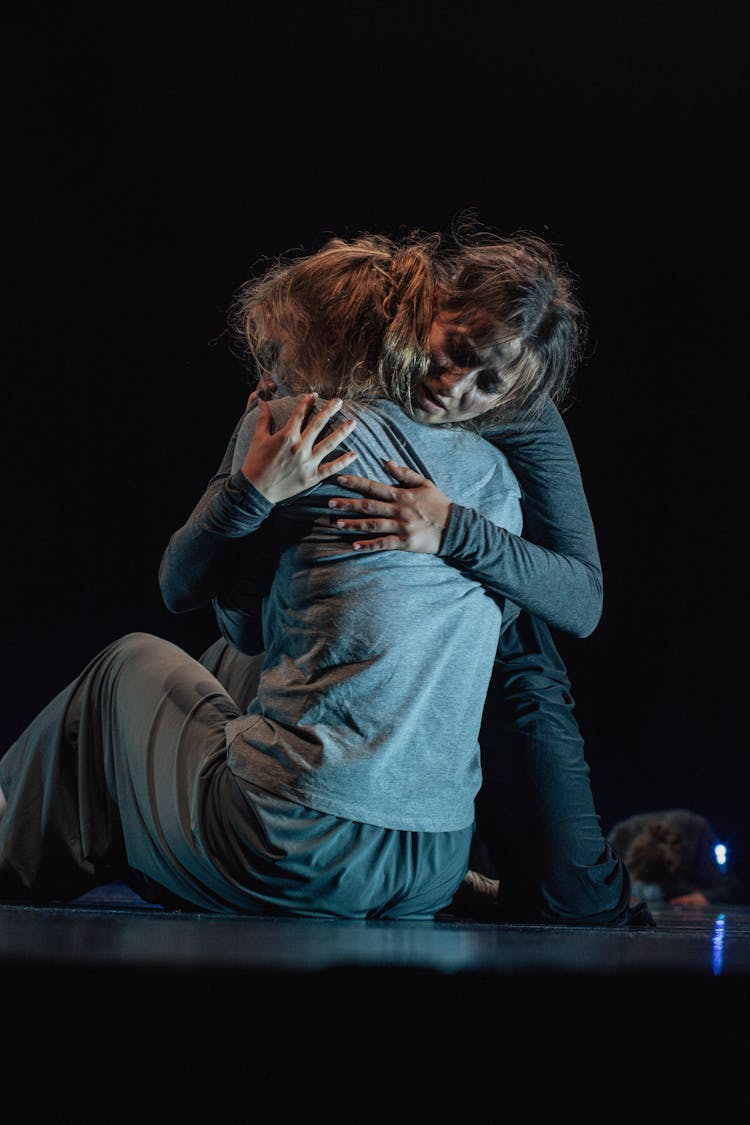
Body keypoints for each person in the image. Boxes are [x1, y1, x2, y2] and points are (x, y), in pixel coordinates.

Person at [0, 222, 639, 922]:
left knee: (128, 665)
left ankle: (30, 842)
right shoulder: (494, 475)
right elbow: (251, 636)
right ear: (424, 312)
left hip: (326, 815)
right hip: (430, 859)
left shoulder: (314, 424)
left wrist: (252, 488)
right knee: (237, 663)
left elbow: (186, 591)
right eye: (454, 351)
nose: (455, 387)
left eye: (488, 382)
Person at [607, 809, 746, 906]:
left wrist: (706, 897)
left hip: (683, 893)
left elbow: (727, 887)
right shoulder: (621, 835)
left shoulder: (697, 831)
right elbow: (600, 884)